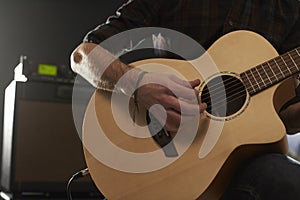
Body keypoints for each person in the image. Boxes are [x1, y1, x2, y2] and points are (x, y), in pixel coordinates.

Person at [70, 0, 300, 199]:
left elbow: (286, 119)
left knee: (289, 182)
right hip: (158, 154)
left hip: (242, 160)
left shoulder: (290, 7)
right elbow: (83, 55)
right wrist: (138, 85)